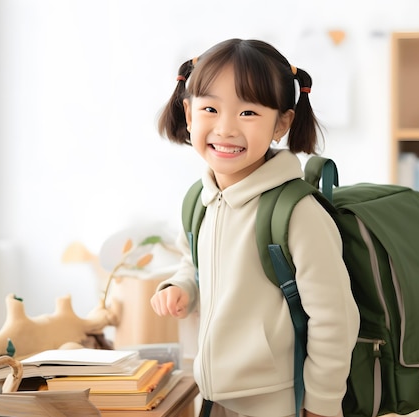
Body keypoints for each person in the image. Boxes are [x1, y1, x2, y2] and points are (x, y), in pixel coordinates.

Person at [151, 38, 359, 417]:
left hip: (279, 402)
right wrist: (181, 286)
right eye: (210, 109)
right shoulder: (199, 200)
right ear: (189, 113)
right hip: (213, 397)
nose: (226, 128)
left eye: (248, 113)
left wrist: (322, 405)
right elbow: (195, 263)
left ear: (282, 122)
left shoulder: (298, 213)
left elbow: (335, 318)